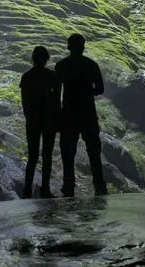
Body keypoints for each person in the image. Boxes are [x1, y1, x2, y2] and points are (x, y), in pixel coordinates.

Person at [55, 33, 107, 196]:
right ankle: (99, 185)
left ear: (68, 46)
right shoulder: (91, 65)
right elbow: (100, 89)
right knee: (93, 152)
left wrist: (57, 115)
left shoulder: (61, 66)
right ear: (83, 47)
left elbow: (56, 93)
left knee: (68, 152)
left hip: (68, 114)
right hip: (88, 114)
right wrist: (86, 92)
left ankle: (68, 185)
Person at [19, 45, 59, 198]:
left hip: (33, 121)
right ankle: (45, 188)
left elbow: (24, 102)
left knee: (33, 156)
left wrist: (28, 117)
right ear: (46, 59)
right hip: (49, 120)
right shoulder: (51, 76)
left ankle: (27, 189)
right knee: (47, 156)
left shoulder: (27, 76)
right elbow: (56, 99)